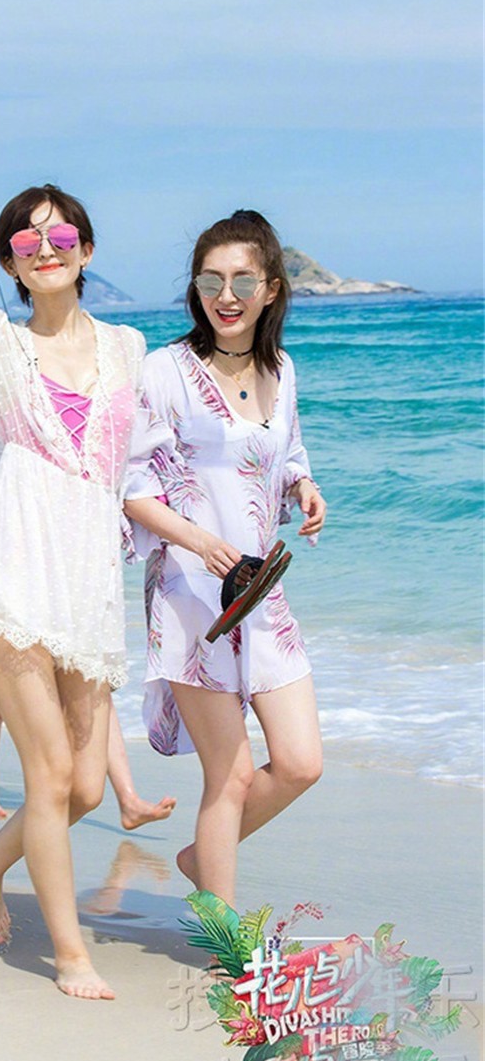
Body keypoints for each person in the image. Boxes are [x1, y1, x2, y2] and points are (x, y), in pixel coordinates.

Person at [0, 57, 161, 1000]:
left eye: (60, 234)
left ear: (86, 249)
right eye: (26, 237)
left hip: (87, 580)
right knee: (50, 772)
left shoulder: (130, 348)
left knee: (85, 787)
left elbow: (152, 461)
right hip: (14, 573)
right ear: (10, 261)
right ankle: (70, 952)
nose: (43, 246)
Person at [124, 210, 326, 911]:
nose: (226, 295)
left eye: (243, 280)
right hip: (190, 596)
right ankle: (226, 943)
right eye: (211, 280)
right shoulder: (164, 372)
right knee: (230, 776)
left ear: (271, 289)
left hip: (260, 589)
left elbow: (286, 450)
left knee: (301, 762)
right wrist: (198, 541)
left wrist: (304, 487)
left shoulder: (282, 369)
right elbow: (131, 489)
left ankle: (200, 859)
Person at [0, 437, 178, 826]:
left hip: (67, 576)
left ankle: (128, 800)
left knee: (94, 682)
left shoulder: (75, 426)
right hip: (10, 572)